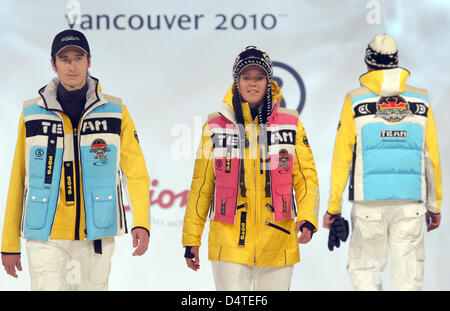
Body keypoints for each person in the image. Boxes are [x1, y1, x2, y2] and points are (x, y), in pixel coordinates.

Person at [1, 29, 151, 290]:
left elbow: (136, 173)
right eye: (65, 59)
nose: (72, 65)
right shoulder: (32, 114)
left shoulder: (117, 112)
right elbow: (18, 179)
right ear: (53, 63)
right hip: (44, 235)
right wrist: (9, 243)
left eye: (78, 58)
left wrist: (142, 222)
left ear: (89, 61)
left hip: (97, 233)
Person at [182, 46, 320, 291]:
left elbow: (306, 179)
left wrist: (308, 218)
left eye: (259, 77)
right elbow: (202, 186)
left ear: (269, 81)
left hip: (278, 240)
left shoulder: (291, 123)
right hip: (228, 241)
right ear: (237, 81)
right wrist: (192, 238)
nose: (253, 83)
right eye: (246, 77)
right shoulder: (214, 126)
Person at [324, 34, 442, 291]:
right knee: (409, 283)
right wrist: (434, 205)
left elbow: (342, 158)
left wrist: (333, 209)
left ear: (368, 64)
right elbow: (431, 156)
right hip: (411, 206)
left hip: (369, 207)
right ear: (396, 62)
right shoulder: (421, 100)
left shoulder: (355, 100)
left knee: (365, 274)